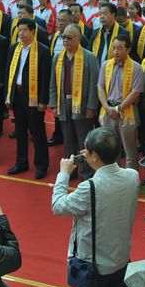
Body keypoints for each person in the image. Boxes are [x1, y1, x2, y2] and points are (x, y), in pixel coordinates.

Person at [51, 127, 139, 287]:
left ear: (94, 156)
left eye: (88, 151)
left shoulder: (90, 187)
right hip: (121, 259)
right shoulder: (132, 176)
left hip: (96, 268)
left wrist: (63, 174)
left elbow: (58, 206)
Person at [49, 24, 101, 179]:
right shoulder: (58, 58)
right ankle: (70, 171)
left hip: (83, 105)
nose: (65, 40)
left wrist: (92, 106)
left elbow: (94, 84)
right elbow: (53, 83)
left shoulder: (89, 57)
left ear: (78, 39)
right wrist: (53, 103)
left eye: (69, 38)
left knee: (83, 141)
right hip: (64, 104)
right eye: (63, 37)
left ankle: (86, 173)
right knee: (68, 140)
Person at [5, 17, 52, 179]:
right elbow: (8, 73)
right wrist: (8, 95)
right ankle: (21, 162)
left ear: (33, 31)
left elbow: (46, 78)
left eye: (25, 30)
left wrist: (43, 101)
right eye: (19, 30)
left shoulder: (43, 51)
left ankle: (41, 165)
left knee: (37, 132)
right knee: (19, 131)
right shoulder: (13, 49)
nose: (21, 33)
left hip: (33, 97)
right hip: (17, 95)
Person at [96, 33, 143, 171]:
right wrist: (107, 107)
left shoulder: (136, 68)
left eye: (120, 48)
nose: (115, 51)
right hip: (108, 111)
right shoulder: (106, 65)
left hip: (127, 112)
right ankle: (113, 181)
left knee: (130, 152)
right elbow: (100, 87)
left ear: (128, 50)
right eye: (114, 48)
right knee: (110, 150)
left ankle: (131, 182)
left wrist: (118, 109)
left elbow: (135, 93)